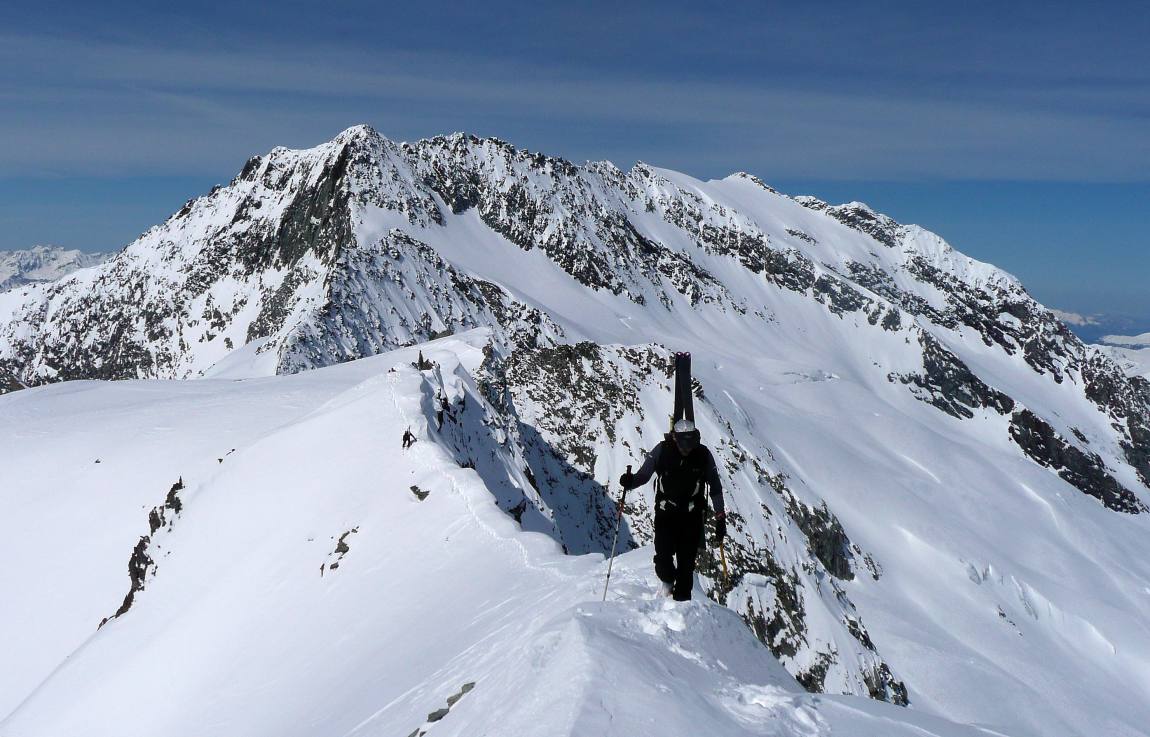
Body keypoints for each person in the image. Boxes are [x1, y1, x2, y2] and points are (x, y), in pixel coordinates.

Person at [620, 419, 726, 601]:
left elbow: (715, 487)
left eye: (691, 443)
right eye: (684, 443)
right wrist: (631, 482)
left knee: (686, 568)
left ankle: (681, 610)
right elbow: (644, 475)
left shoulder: (702, 455)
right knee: (663, 561)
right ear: (675, 439)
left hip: (691, 518)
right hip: (666, 514)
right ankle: (668, 581)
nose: (687, 449)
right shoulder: (662, 450)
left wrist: (720, 517)